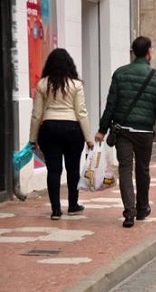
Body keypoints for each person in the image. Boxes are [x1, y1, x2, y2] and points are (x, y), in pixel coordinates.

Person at [96, 36, 156, 228]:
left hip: (123, 130)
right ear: (149, 52)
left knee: (125, 169)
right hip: (144, 131)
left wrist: (102, 129)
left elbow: (110, 104)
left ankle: (129, 212)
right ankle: (143, 207)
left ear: (132, 52)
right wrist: (149, 117)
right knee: (143, 169)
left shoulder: (120, 74)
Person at [29, 48, 94, 220]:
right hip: (73, 129)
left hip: (49, 128)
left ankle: (56, 210)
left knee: (54, 170)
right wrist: (89, 138)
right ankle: (73, 205)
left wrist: (32, 139)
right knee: (73, 169)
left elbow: (37, 114)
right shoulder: (76, 85)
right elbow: (81, 112)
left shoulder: (43, 84)